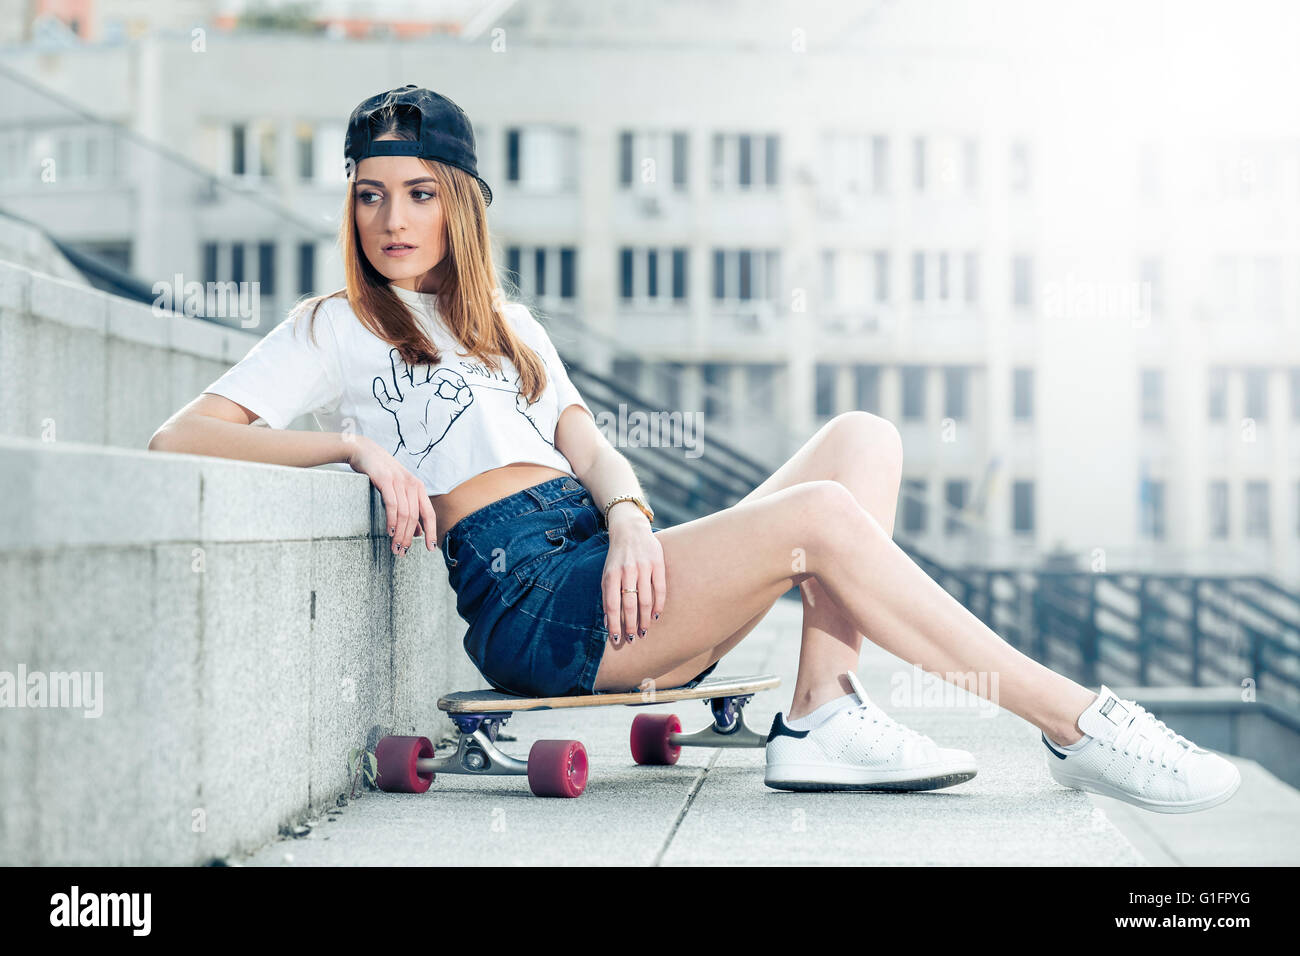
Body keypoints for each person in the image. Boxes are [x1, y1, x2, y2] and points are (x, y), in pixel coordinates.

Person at [148, 86, 1241, 811]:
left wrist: (627, 516)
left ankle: (820, 714)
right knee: (818, 523)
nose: (393, 217)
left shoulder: (509, 325)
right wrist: (351, 448)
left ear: (461, 205)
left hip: (602, 562)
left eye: (420, 193)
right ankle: (1078, 720)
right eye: (371, 193)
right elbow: (179, 435)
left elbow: (589, 444)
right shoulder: (334, 324)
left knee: (859, 438)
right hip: (532, 605)